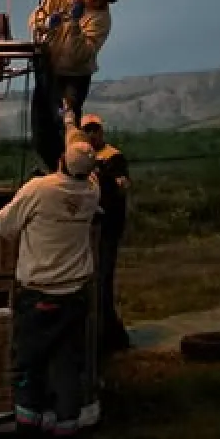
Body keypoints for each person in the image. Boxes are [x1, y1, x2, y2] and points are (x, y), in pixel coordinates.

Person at [0, 113, 99, 439]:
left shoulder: (39, 190)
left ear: (60, 160)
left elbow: (3, 226)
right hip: (75, 295)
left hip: (38, 295)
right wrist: (70, 118)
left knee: (28, 366)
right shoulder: (91, 191)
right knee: (67, 367)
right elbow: (79, 155)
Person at [29, 0, 128, 169]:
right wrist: (46, 23)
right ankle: (52, 169)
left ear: (110, 0)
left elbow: (78, 56)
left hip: (72, 77)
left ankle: (71, 168)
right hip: (47, 67)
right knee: (41, 127)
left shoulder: (101, 21)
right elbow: (34, 22)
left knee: (65, 124)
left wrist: (74, 24)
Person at [81, 112, 131, 352]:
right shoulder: (81, 158)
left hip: (108, 226)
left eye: (94, 129)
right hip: (88, 228)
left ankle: (109, 335)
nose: (91, 134)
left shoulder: (113, 157)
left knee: (102, 280)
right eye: (87, 130)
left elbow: (119, 190)